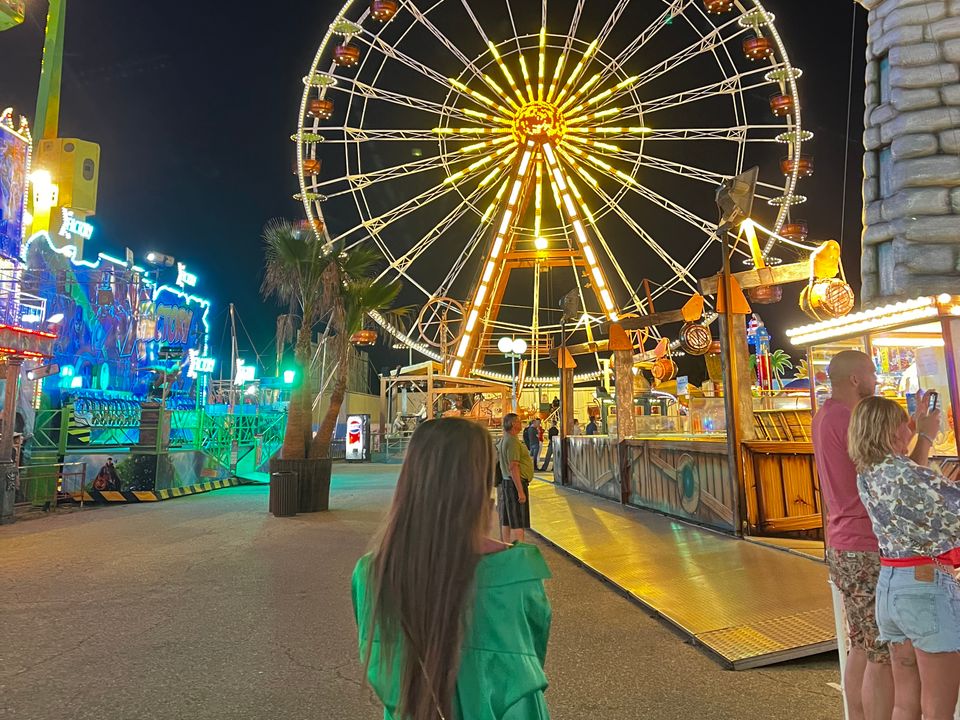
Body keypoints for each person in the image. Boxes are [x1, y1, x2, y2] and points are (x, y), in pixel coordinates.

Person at [352, 418, 552, 720]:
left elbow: (383, 658)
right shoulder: (517, 575)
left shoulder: (372, 574)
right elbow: (530, 656)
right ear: (482, 487)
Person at [849, 395, 959, 720]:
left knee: (905, 702)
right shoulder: (908, 475)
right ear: (891, 430)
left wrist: (921, 434)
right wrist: (924, 434)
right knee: (939, 706)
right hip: (925, 588)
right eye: (903, 423)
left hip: (890, 586)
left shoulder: (868, 474)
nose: (907, 428)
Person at [812, 350, 898, 720]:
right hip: (864, 542)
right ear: (854, 379)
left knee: (860, 643)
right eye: (871, 373)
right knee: (879, 648)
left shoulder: (824, 416)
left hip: (843, 541)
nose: (876, 379)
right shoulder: (849, 419)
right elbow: (884, 475)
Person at [499, 412, 535, 543]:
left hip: (507, 482)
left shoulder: (505, 438)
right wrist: (520, 491)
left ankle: (506, 545)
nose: (521, 424)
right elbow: (513, 466)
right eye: (519, 421)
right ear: (513, 424)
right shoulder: (513, 441)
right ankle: (519, 549)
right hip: (515, 483)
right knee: (517, 519)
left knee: (507, 517)